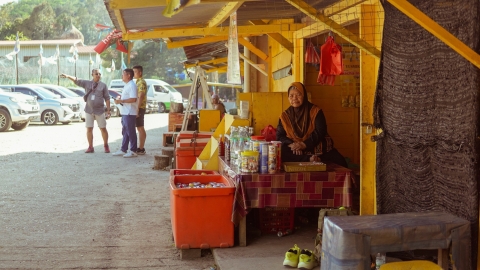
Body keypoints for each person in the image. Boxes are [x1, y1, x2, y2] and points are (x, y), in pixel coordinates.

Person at [276, 82, 347, 167]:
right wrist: (293, 145)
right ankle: (309, 159)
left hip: (314, 144)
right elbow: (279, 136)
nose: (294, 98)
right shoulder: (285, 116)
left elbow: (320, 131)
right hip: (295, 149)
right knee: (282, 153)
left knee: (340, 161)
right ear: (288, 98)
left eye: (298, 95)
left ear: (304, 96)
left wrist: (304, 144)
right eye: (291, 96)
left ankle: (314, 157)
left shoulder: (315, 111)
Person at [61, 69, 111, 153]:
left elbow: (107, 98)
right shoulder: (87, 83)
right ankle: (90, 147)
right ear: (92, 74)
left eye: (99, 74)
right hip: (89, 110)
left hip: (100, 110)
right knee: (89, 128)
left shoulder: (103, 85)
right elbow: (77, 80)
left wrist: (108, 110)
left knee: (103, 128)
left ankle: (106, 145)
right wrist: (68, 76)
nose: (98, 75)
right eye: (96, 74)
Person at [112, 69, 138, 158]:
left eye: (123, 74)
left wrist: (121, 100)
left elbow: (133, 99)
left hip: (130, 112)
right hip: (125, 111)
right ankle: (123, 149)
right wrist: (119, 98)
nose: (122, 76)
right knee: (125, 131)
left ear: (129, 75)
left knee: (131, 131)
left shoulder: (132, 85)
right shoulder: (127, 85)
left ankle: (133, 150)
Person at [133, 65, 147, 155]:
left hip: (140, 107)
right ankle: (140, 147)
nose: (133, 73)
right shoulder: (137, 82)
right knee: (139, 127)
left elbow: (141, 95)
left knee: (140, 127)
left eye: (135, 72)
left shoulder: (141, 82)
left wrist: (137, 109)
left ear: (140, 72)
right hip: (138, 107)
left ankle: (141, 148)